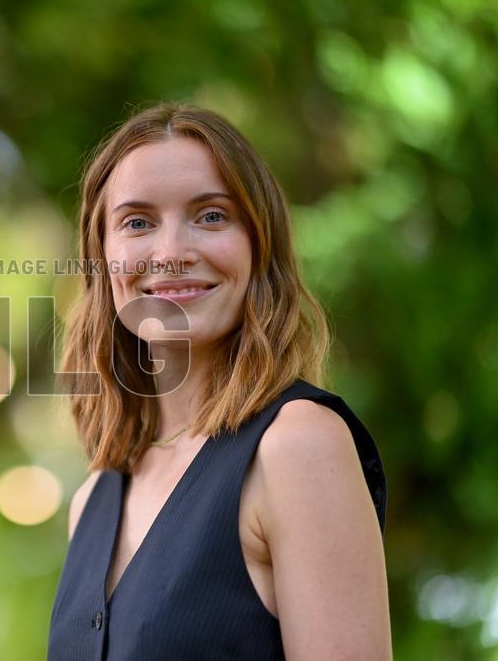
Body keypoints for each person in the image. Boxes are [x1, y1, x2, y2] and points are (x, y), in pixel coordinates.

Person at [47, 103, 391, 660]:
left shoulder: (298, 444)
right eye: (137, 222)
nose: (172, 254)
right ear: (102, 260)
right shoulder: (91, 500)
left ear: (259, 246)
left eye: (211, 216)